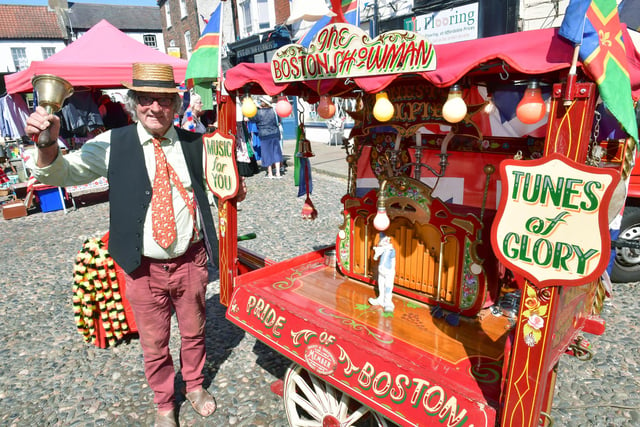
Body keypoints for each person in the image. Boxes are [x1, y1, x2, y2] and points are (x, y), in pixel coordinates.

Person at [26, 63, 219, 427]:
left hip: (191, 261)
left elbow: (221, 187)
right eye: (145, 99)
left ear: (175, 105)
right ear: (133, 103)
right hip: (142, 266)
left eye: (163, 100)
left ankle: (194, 385)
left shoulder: (197, 145)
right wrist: (47, 144)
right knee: (154, 343)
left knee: (195, 332)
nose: (155, 108)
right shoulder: (112, 143)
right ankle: (164, 401)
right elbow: (61, 173)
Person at [249, 96, 283, 179]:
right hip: (275, 133)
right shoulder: (274, 111)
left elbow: (251, 118)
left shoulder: (259, 112)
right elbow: (279, 120)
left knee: (266, 153)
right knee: (276, 152)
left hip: (264, 135)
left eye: (261, 101)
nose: (260, 102)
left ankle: (270, 173)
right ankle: (278, 173)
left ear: (264, 102)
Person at [368, 233, 396, 313]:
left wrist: (391, 271)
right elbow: (376, 256)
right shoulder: (382, 249)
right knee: (381, 285)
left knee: (388, 287)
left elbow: (393, 262)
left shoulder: (391, 250)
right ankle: (380, 299)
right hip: (381, 271)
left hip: (388, 272)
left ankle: (388, 303)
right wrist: (377, 252)